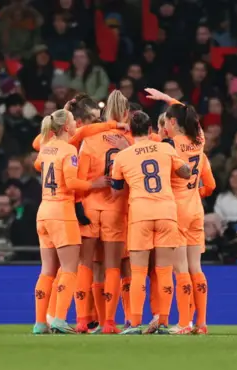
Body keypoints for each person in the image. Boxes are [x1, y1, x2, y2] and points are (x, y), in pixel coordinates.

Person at [111, 111, 190, 335]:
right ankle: (163, 322)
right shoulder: (166, 148)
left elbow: (116, 191)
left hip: (140, 214)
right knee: (164, 270)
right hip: (166, 212)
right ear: (149, 130)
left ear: (131, 131)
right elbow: (185, 173)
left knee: (138, 272)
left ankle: (135, 323)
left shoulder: (123, 156)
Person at [32, 108, 108, 335]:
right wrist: (96, 183)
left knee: (47, 270)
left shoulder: (46, 148)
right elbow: (73, 182)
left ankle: (39, 323)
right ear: (66, 127)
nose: (77, 124)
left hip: (43, 212)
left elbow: (39, 165)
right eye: (74, 120)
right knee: (69, 269)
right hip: (62, 213)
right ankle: (59, 319)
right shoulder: (69, 150)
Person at [145, 87, 213, 335]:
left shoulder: (170, 145)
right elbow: (191, 117)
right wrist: (168, 99)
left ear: (172, 122)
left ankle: (184, 322)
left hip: (176, 210)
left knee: (180, 269)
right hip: (196, 207)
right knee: (197, 267)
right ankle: (201, 323)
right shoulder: (199, 140)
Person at [75, 90, 133, 334]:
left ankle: (83, 320)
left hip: (90, 205)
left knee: (86, 265)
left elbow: (78, 179)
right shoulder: (130, 140)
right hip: (116, 209)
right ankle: (109, 322)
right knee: (112, 267)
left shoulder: (89, 139)